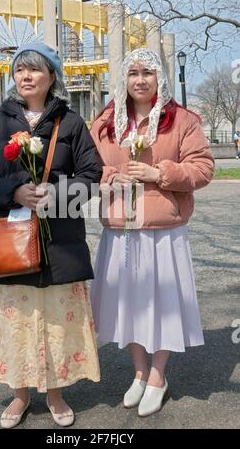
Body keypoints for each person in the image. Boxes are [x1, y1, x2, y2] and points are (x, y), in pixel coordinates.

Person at [0, 43, 102, 428]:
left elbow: (92, 176)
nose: (26, 77)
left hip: (60, 239)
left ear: (52, 76)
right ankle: (19, 395)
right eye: (20, 70)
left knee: (58, 322)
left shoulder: (72, 123)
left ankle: (56, 394)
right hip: (11, 242)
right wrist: (14, 191)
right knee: (18, 321)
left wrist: (55, 194)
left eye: (35, 70)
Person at [90, 49, 214, 417]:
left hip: (164, 229)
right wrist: (112, 176)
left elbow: (203, 168)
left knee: (163, 305)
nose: (140, 79)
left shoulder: (183, 121)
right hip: (120, 228)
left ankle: (159, 376)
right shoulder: (105, 121)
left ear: (160, 77)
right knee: (126, 303)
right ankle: (139, 372)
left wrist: (161, 173)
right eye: (132, 73)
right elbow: (86, 166)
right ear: (123, 78)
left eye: (147, 72)